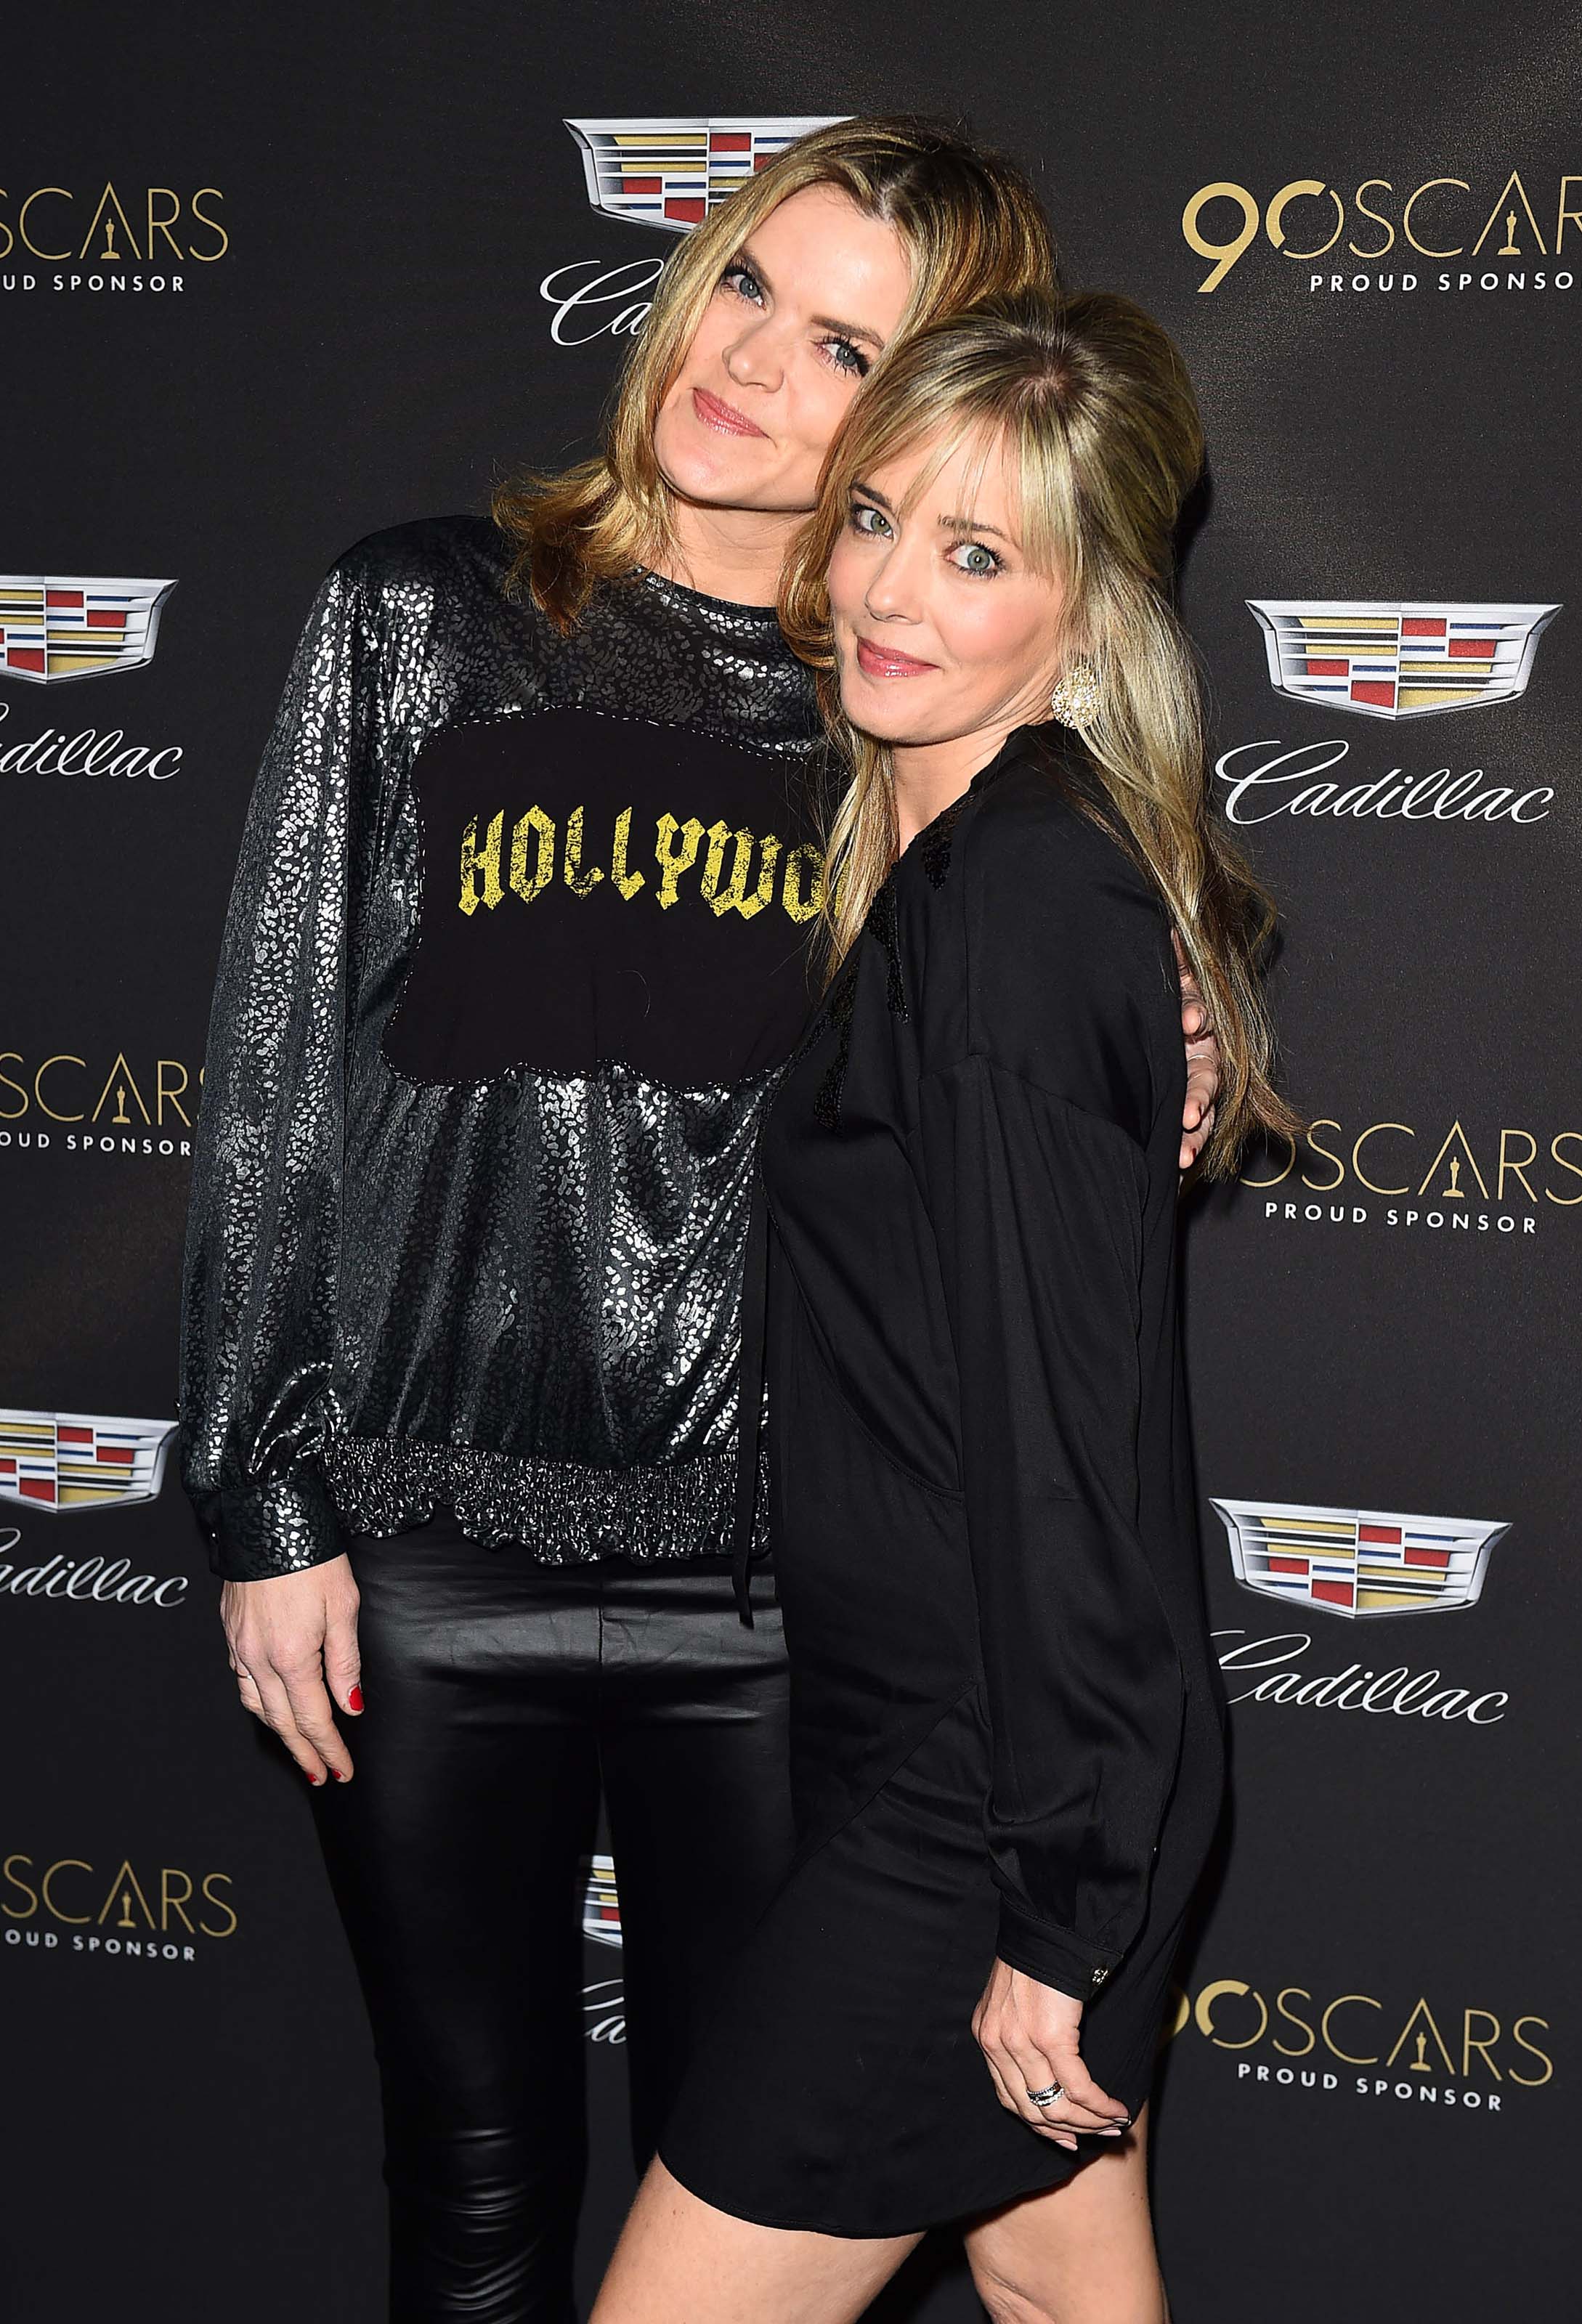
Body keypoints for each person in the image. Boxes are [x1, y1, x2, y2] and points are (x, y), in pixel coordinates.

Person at [178, 120, 1221, 2323]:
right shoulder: (419, 613)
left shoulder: (888, 706)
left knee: (754, 2178)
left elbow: (1022, 1009)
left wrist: (1174, 1010)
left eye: (842, 344)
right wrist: (267, 1495)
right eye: (746, 280)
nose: (748, 359)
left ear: (929, 411)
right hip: (425, 1558)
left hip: (772, 1605)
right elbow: (276, 1071)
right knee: (471, 2173)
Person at [592, 289, 1301, 2324]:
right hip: (948, 1737)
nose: (891, 593)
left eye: (979, 553)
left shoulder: (1021, 898)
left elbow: (1069, 1445)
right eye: (879, 517)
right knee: (1064, 2291)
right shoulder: (940, 866)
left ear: (1085, 613)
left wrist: (1064, 1900)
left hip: (993, 1788)